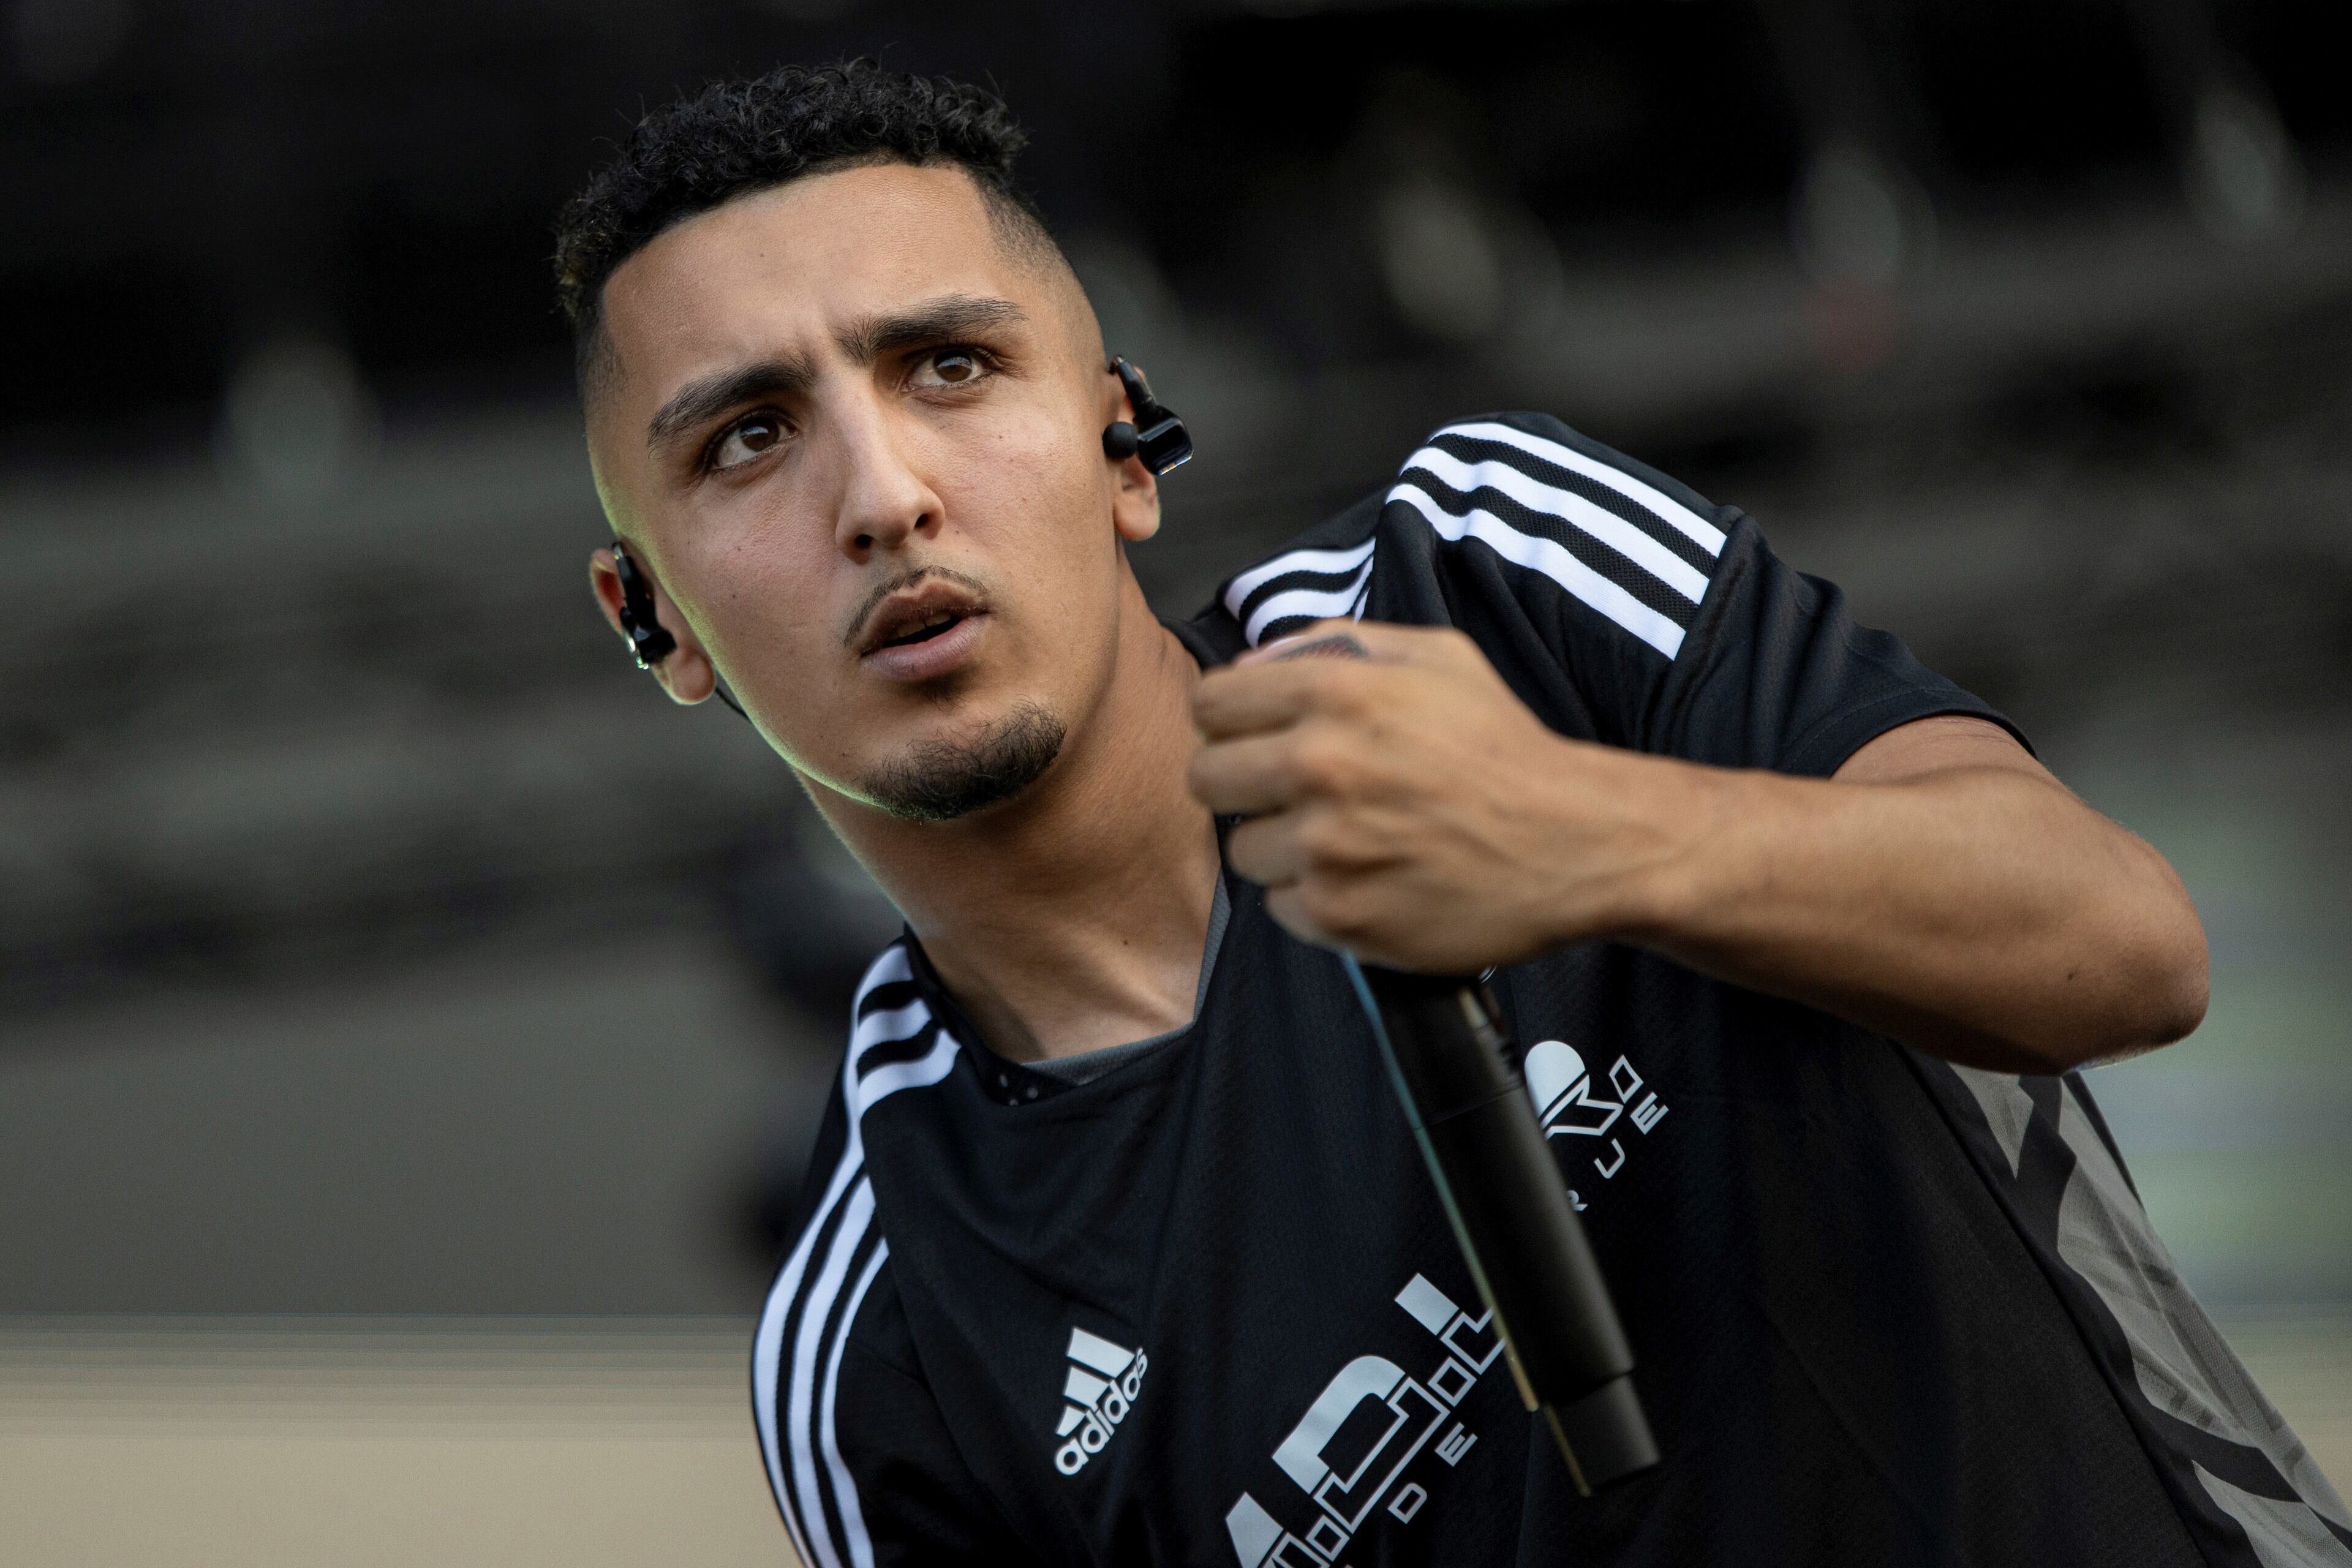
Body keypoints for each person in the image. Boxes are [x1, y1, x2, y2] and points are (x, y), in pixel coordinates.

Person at [553, 60, 2348, 1568]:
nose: (883, 495)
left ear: (1123, 449)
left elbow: (2123, 946)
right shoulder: (883, 1350)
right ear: (656, 626)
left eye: (950, 366)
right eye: (747, 439)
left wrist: (1587, 834)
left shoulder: (1475, 571)